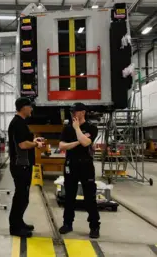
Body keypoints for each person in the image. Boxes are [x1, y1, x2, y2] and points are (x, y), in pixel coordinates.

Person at [58, 102, 101, 239]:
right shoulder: (67, 128)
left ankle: (94, 226)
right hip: (71, 165)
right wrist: (77, 141)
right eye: (71, 112)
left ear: (83, 112)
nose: (72, 114)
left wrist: (77, 129)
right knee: (69, 196)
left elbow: (86, 143)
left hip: (86, 166)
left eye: (75, 112)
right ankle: (67, 223)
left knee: (90, 197)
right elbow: (62, 146)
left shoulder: (91, 128)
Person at [8, 97, 44, 238]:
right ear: (24, 107)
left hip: (23, 165)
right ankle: (15, 228)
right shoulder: (18, 123)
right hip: (20, 165)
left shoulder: (20, 123)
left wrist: (33, 141)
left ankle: (19, 222)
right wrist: (36, 144)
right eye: (30, 106)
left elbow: (22, 141)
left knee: (23, 197)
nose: (32, 109)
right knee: (21, 197)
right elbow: (22, 145)